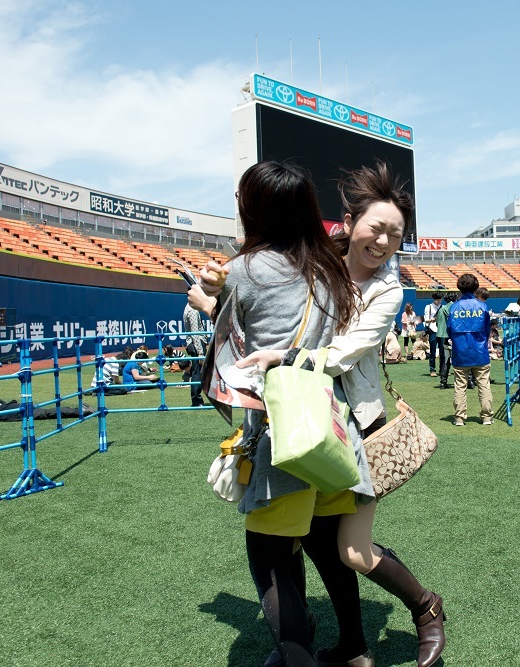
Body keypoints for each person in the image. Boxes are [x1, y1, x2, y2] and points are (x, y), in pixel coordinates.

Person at [231, 161, 444, 667]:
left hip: (353, 423)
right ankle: (352, 647)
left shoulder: (387, 290)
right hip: (304, 415)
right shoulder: (316, 261)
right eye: (377, 227)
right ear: (349, 222)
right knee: (322, 544)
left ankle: (426, 608)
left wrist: (286, 358)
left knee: (350, 550)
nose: (385, 240)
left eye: (396, 233)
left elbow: (347, 350)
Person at [199, 161, 369, 667]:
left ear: (255, 208)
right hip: (332, 427)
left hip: (282, 433)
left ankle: (297, 658)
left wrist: (203, 301)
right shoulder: (329, 267)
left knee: (271, 560)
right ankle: (356, 650)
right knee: (327, 551)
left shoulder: (244, 270)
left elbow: (230, 351)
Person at [448, 273, 493, 426]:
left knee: (460, 386)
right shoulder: (482, 306)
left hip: (460, 352)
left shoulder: (454, 307)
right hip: (480, 352)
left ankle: (459, 417)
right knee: (484, 385)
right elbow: (487, 330)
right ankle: (487, 417)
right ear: (476, 287)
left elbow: (450, 330)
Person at [183, 285, 215, 406]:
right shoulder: (192, 310)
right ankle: (196, 400)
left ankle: (199, 398)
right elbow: (195, 333)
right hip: (196, 345)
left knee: (201, 372)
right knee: (198, 373)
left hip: (194, 344)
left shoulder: (190, 308)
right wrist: (201, 352)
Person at [434, 293, 455, 389]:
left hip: (445, 337)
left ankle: (443, 382)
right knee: (462, 359)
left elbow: (438, 323)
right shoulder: (456, 307)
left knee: (446, 360)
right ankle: (469, 381)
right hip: (456, 337)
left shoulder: (442, 309)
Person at [422, 292, 442, 377]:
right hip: (433, 329)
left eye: (440, 299)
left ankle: (442, 369)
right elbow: (426, 319)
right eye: (438, 299)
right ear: (435, 299)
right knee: (432, 351)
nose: (439, 301)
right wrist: (432, 319)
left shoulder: (442, 307)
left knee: (442, 352)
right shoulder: (428, 307)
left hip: (441, 330)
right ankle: (432, 369)